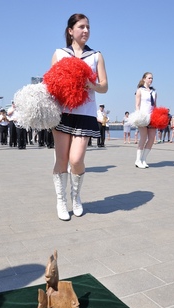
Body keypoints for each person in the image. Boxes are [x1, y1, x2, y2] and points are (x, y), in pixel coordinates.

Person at [51, 13, 108, 221]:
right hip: (62, 114)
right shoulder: (59, 53)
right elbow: (51, 83)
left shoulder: (96, 55)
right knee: (62, 159)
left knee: (76, 160)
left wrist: (91, 85)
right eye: (81, 27)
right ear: (70, 31)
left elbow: (105, 86)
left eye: (88, 27)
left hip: (85, 113)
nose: (86, 31)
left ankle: (76, 196)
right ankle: (61, 201)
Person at [134, 72, 157, 168]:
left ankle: (143, 159)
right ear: (144, 79)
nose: (151, 80)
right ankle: (138, 160)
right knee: (143, 138)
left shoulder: (154, 92)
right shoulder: (140, 90)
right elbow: (137, 104)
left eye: (152, 78)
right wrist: (138, 116)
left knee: (151, 139)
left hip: (152, 117)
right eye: (149, 78)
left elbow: (155, 105)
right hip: (143, 116)